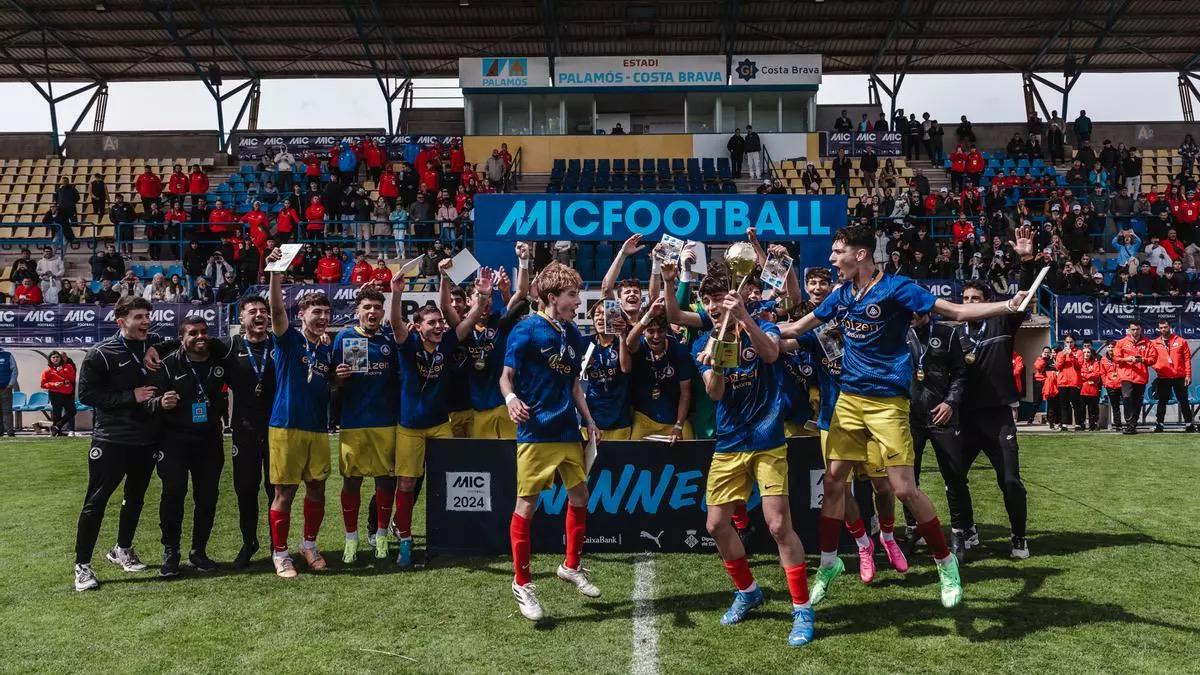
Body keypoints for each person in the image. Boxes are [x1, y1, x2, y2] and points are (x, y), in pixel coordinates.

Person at [778, 224, 1032, 608]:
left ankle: (945, 564)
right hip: (847, 401)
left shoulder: (898, 288)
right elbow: (795, 327)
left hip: (888, 405)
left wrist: (1007, 305)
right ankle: (829, 565)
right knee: (833, 484)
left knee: (904, 490)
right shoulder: (841, 295)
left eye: (837, 251)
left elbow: (957, 310)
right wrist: (741, 324)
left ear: (860, 254)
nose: (831, 259)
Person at [690, 271, 816, 647]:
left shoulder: (763, 326)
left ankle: (802, 609)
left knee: (778, 526)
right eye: (707, 301)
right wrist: (715, 360)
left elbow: (772, 353)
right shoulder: (704, 341)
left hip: (767, 440)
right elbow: (714, 394)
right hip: (729, 442)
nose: (713, 307)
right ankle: (747, 591)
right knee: (716, 525)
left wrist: (744, 318)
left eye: (718, 299)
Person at [500, 262, 603, 622]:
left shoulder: (573, 334)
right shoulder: (526, 331)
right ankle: (522, 582)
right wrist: (511, 399)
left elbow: (574, 385)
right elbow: (506, 376)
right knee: (526, 507)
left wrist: (589, 421)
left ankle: (571, 566)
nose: (578, 301)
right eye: (572, 295)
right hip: (535, 433)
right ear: (551, 297)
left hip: (568, 432)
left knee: (580, 497)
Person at [72, 296, 166, 591]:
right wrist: (131, 396)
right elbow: (86, 396)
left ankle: (121, 549)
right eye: (138, 317)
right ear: (121, 321)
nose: (145, 322)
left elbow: (176, 343)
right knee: (96, 502)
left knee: (135, 498)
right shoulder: (100, 353)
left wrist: (155, 346)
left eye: (147, 317)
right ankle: (82, 566)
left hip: (145, 439)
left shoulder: (153, 342)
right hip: (111, 439)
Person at [386, 257, 469, 567]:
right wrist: (396, 293)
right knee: (406, 483)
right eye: (431, 323)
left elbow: (463, 319)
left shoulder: (447, 343)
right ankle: (404, 538)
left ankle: (445, 535)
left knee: (447, 480)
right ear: (418, 327)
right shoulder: (408, 345)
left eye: (440, 322)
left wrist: (445, 278)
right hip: (409, 425)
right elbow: (395, 324)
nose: (439, 326)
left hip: (439, 424)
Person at [265, 249, 335, 578]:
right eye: (315, 311)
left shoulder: (326, 347)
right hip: (286, 425)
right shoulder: (288, 339)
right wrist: (276, 272)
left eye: (325, 311)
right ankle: (280, 554)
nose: (321, 316)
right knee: (285, 492)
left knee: (317, 488)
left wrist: (339, 378)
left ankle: (308, 544)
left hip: (318, 428)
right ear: (302, 313)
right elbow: (276, 309)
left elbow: (327, 386)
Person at [144, 317, 227, 576]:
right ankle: (171, 551)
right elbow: (148, 401)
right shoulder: (166, 365)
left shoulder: (219, 357)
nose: (200, 337)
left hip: (209, 440)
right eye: (193, 333)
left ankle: (198, 552)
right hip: (174, 440)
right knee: (173, 492)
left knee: (207, 496)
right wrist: (160, 402)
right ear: (182, 338)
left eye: (204, 332)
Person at [330, 287, 400, 564]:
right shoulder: (345, 338)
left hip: (385, 422)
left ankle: (381, 534)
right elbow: (332, 384)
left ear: (383, 311)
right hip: (354, 422)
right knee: (352, 481)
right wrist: (339, 377)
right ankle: (351, 538)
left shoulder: (390, 339)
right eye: (367, 307)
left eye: (376, 307)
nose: (372, 312)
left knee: (386, 481)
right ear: (357, 311)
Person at [902, 311, 976, 562]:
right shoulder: (897, 332)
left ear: (926, 309)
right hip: (909, 416)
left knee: (955, 477)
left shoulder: (947, 333)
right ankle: (912, 531)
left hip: (942, 415)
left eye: (916, 309)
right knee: (908, 479)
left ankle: (959, 533)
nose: (911, 314)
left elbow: (960, 373)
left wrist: (950, 402)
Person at [463, 243, 531, 439]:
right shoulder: (463, 329)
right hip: (478, 409)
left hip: (504, 406)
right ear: (469, 302)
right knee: (484, 464)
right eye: (479, 295)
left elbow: (521, 295)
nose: (486, 300)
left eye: (489, 295)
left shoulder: (499, 321)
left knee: (510, 460)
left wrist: (523, 261)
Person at [625, 297, 694, 441]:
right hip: (645, 419)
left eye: (660, 331)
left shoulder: (679, 351)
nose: (656, 336)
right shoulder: (640, 347)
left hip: (675, 420)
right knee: (632, 454)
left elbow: (685, 393)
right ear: (644, 331)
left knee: (690, 446)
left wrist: (679, 426)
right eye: (651, 331)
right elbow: (629, 343)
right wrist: (648, 316)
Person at [1151, 318, 1195, 433]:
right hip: (1163, 378)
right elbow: (1151, 358)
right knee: (1162, 401)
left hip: (1179, 377)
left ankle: (1189, 424)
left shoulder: (1181, 341)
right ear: (1158, 329)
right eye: (1161, 328)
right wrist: (1157, 367)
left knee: (1184, 401)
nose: (1163, 329)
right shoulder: (1155, 343)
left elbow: (1187, 360)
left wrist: (1188, 375)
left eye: (1165, 327)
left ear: (1170, 327)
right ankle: (1159, 424)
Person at [1114, 320, 1158, 434]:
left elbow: (1153, 359)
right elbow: (1116, 359)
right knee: (1127, 397)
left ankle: (1132, 425)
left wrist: (1142, 359)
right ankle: (1129, 423)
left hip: (1141, 377)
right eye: (1133, 329)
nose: (1135, 331)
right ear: (1129, 330)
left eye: (1137, 329)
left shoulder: (1148, 343)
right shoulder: (1121, 342)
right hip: (1126, 376)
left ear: (1141, 329)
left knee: (1137, 401)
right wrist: (1127, 359)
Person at [41, 351, 76, 437]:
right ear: (50, 359)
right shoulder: (47, 371)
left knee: (72, 411)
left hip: (67, 393)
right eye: (53, 357)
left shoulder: (68, 366)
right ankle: (57, 433)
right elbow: (43, 384)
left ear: (60, 358)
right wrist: (54, 385)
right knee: (57, 414)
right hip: (55, 394)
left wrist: (62, 372)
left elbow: (72, 379)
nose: (55, 359)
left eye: (57, 357)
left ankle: (58, 426)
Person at [1054, 334, 1084, 431]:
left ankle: (1078, 424)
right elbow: (1058, 367)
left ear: (1074, 342)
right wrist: (1063, 354)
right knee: (1064, 404)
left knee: (1076, 404)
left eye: (1071, 342)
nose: (1069, 344)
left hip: (1074, 382)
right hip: (1063, 382)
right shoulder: (1060, 354)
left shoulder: (1079, 352)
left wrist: (1071, 355)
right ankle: (1064, 425)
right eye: (1067, 342)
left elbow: (1078, 366)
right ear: (1064, 343)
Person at [1079, 344, 1103, 431]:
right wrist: (1089, 375)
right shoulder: (1079, 363)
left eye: (1088, 352)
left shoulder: (1095, 363)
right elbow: (1078, 375)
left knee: (1093, 409)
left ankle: (1093, 425)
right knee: (1081, 409)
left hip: (1093, 389)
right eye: (1084, 352)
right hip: (1082, 390)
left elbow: (1097, 374)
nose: (1086, 354)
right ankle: (1081, 424)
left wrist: (1084, 375)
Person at [1100, 342, 1123, 431]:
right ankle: (1118, 425)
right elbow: (1102, 373)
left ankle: (1130, 423)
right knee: (1115, 406)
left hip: (1121, 385)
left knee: (1128, 405)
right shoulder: (1103, 360)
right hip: (1111, 386)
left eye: (1112, 347)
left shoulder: (1121, 358)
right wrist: (1106, 383)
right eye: (1109, 347)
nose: (1110, 349)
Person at [0, 345, 16, 437]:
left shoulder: (7, 355)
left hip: (6, 388)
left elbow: (14, 370)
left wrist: (10, 384)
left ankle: (10, 431)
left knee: (7, 410)